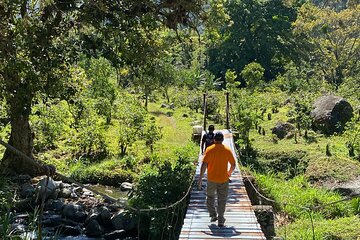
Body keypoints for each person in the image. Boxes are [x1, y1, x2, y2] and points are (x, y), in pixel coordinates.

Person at [197, 132, 236, 227]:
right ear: (222, 140)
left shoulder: (209, 150)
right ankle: (221, 220)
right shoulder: (227, 150)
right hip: (223, 179)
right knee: (222, 200)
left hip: (211, 179)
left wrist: (200, 179)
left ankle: (213, 214)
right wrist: (229, 174)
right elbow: (233, 164)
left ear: (214, 139)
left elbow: (204, 165)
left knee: (210, 197)